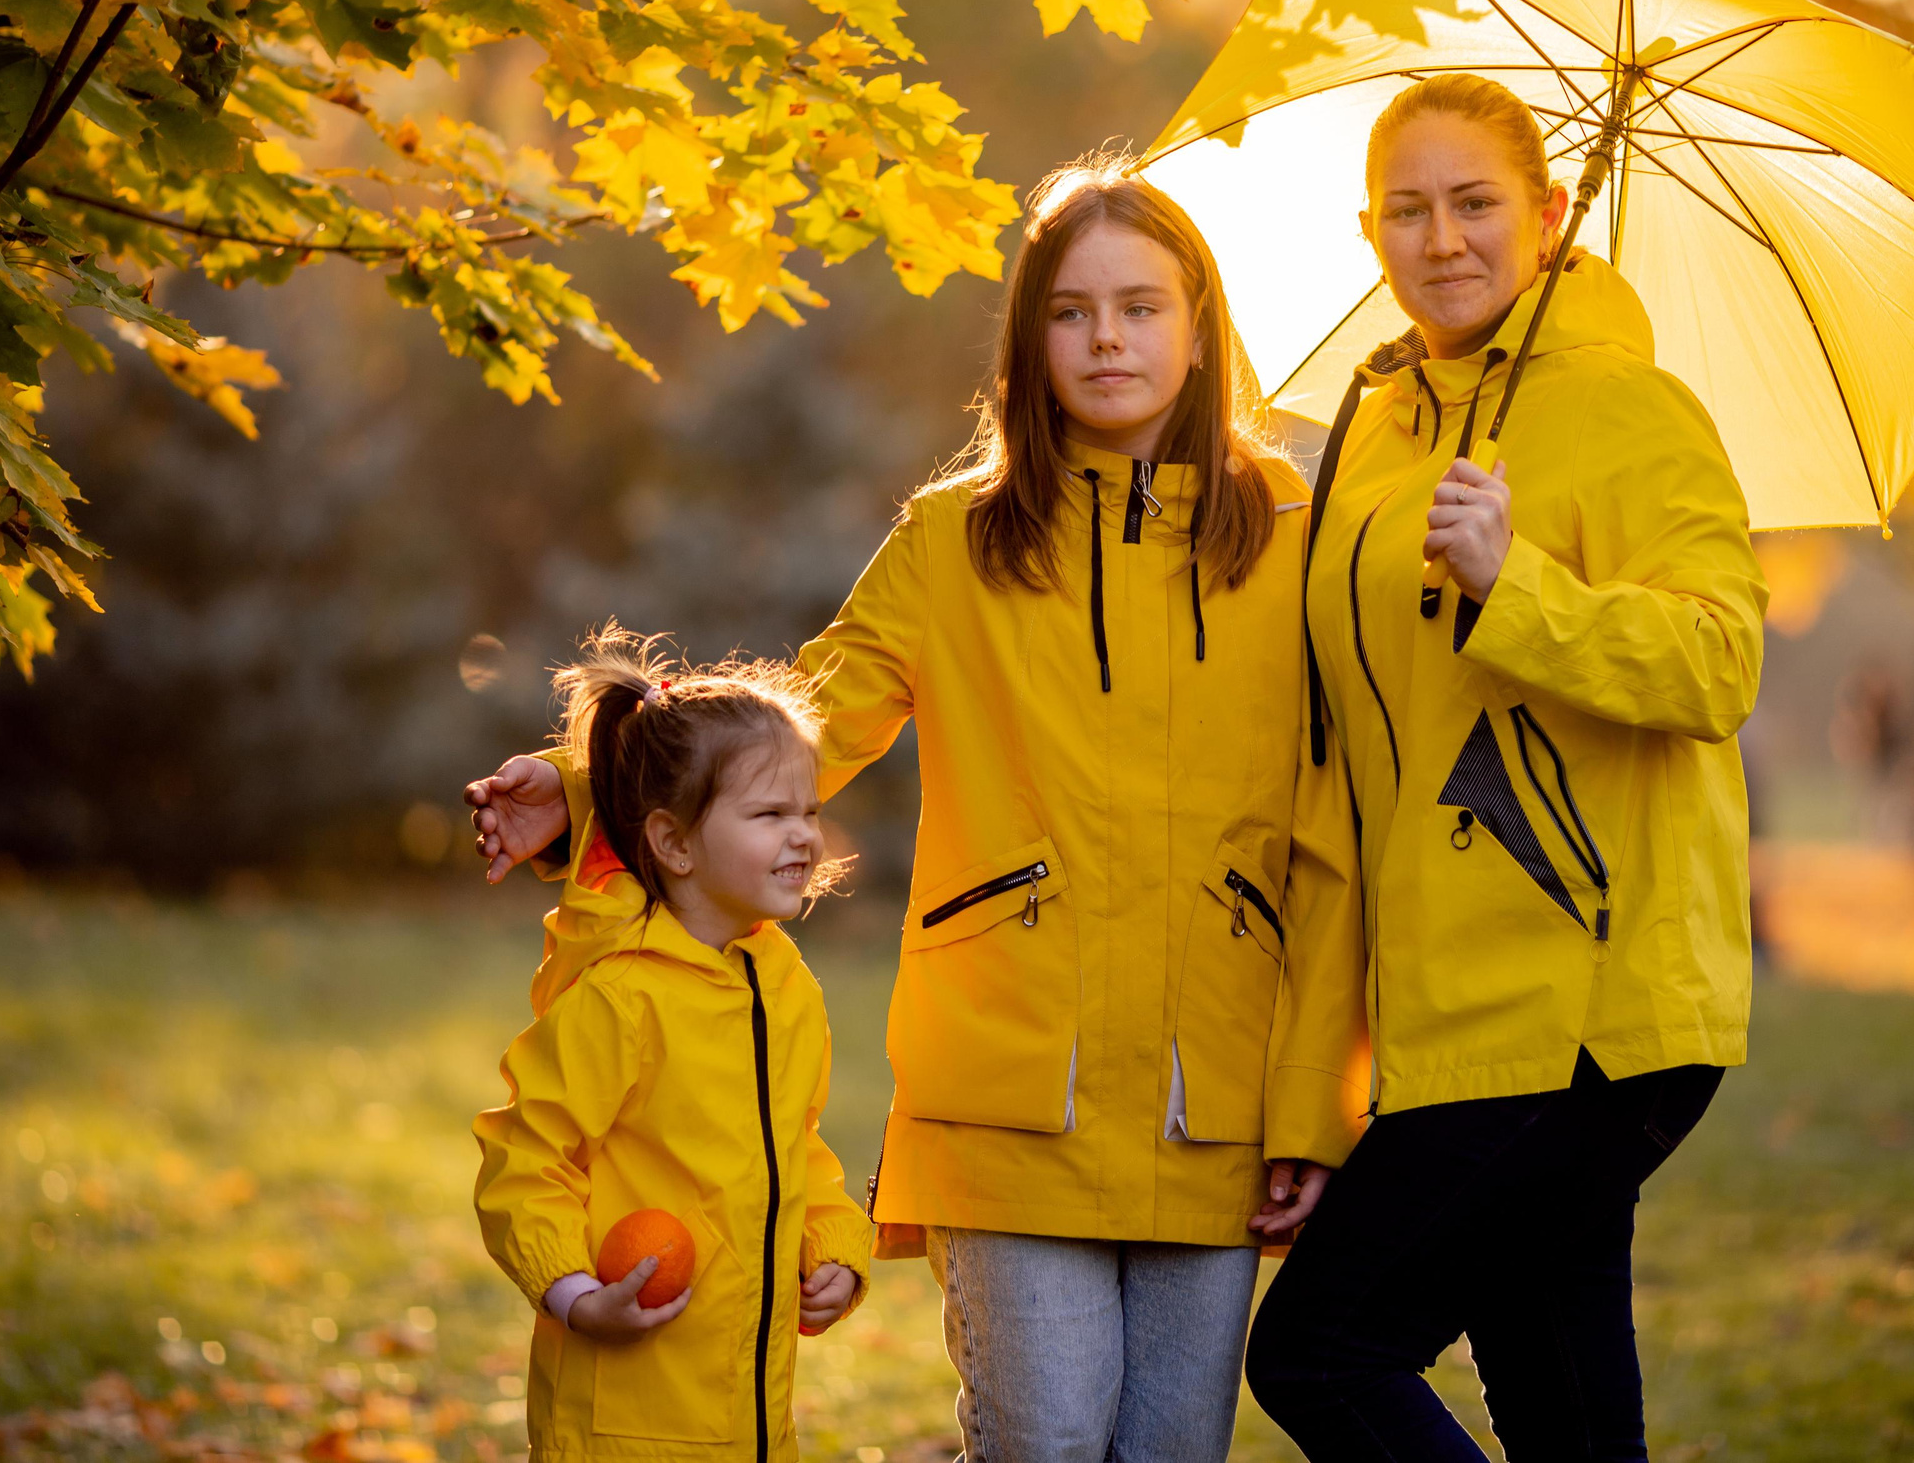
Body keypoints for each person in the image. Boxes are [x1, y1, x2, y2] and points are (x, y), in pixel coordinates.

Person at [468, 157, 1364, 1463]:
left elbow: (1340, 822)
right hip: (1007, 1078)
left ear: (1200, 322)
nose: (1106, 336)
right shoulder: (956, 535)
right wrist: (590, 771)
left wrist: (1317, 1106)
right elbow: (810, 711)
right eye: (1069, 309)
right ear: (1027, 337)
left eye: (1141, 304)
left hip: (1215, 1085)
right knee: (1042, 1438)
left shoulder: (1298, 527)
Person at [1245, 74, 1767, 1461]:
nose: (1445, 238)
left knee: (1320, 1347)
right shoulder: (1373, 437)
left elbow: (1719, 664)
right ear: (1370, 233)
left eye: (1476, 203)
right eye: (1408, 211)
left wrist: (1512, 583)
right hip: (1450, 1007)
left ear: (1547, 215)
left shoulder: (1633, 409)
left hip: (1587, 1004)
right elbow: (1357, 761)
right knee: (1564, 1408)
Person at [473, 629, 874, 1463]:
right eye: (769, 814)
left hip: (752, 1418)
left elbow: (793, 1147)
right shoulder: (621, 997)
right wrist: (578, 1296)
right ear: (674, 842)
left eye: (808, 811)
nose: (803, 835)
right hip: (624, 1419)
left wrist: (835, 1247)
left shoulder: (784, 983)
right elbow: (524, 1156)